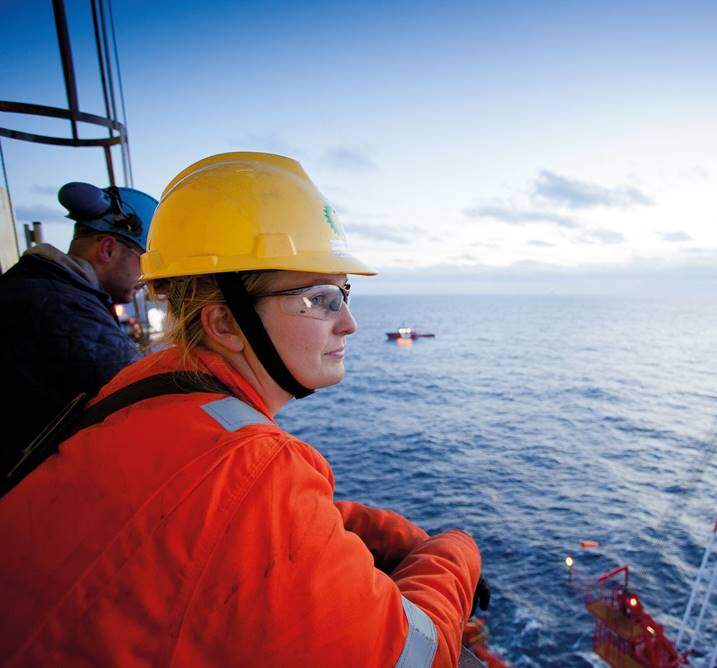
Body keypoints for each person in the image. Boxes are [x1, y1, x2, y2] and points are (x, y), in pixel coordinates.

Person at [0, 152, 481, 667]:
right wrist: (455, 552)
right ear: (225, 323)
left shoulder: (143, 390)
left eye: (344, 292)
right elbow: (407, 654)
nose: (349, 322)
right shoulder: (256, 464)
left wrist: (366, 530)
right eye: (319, 298)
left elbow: (208, 514)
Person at [0, 182, 157, 454]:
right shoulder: (62, 308)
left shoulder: (37, 285)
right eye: (145, 263)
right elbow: (147, 395)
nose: (147, 279)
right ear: (107, 249)